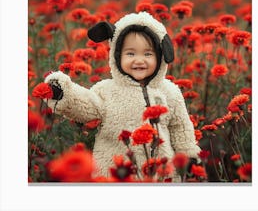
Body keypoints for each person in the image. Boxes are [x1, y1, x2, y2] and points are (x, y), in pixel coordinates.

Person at [45, 11, 201, 181]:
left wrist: (189, 157)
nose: (139, 60)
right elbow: (86, 106)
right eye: (130, 54)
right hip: (115, 174)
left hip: (161, 176)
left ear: (162, 55)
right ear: (117, 55)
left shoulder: (170, 92)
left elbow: (181, 128)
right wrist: (63, 92)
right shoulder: (107, 90)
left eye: (148, 54)